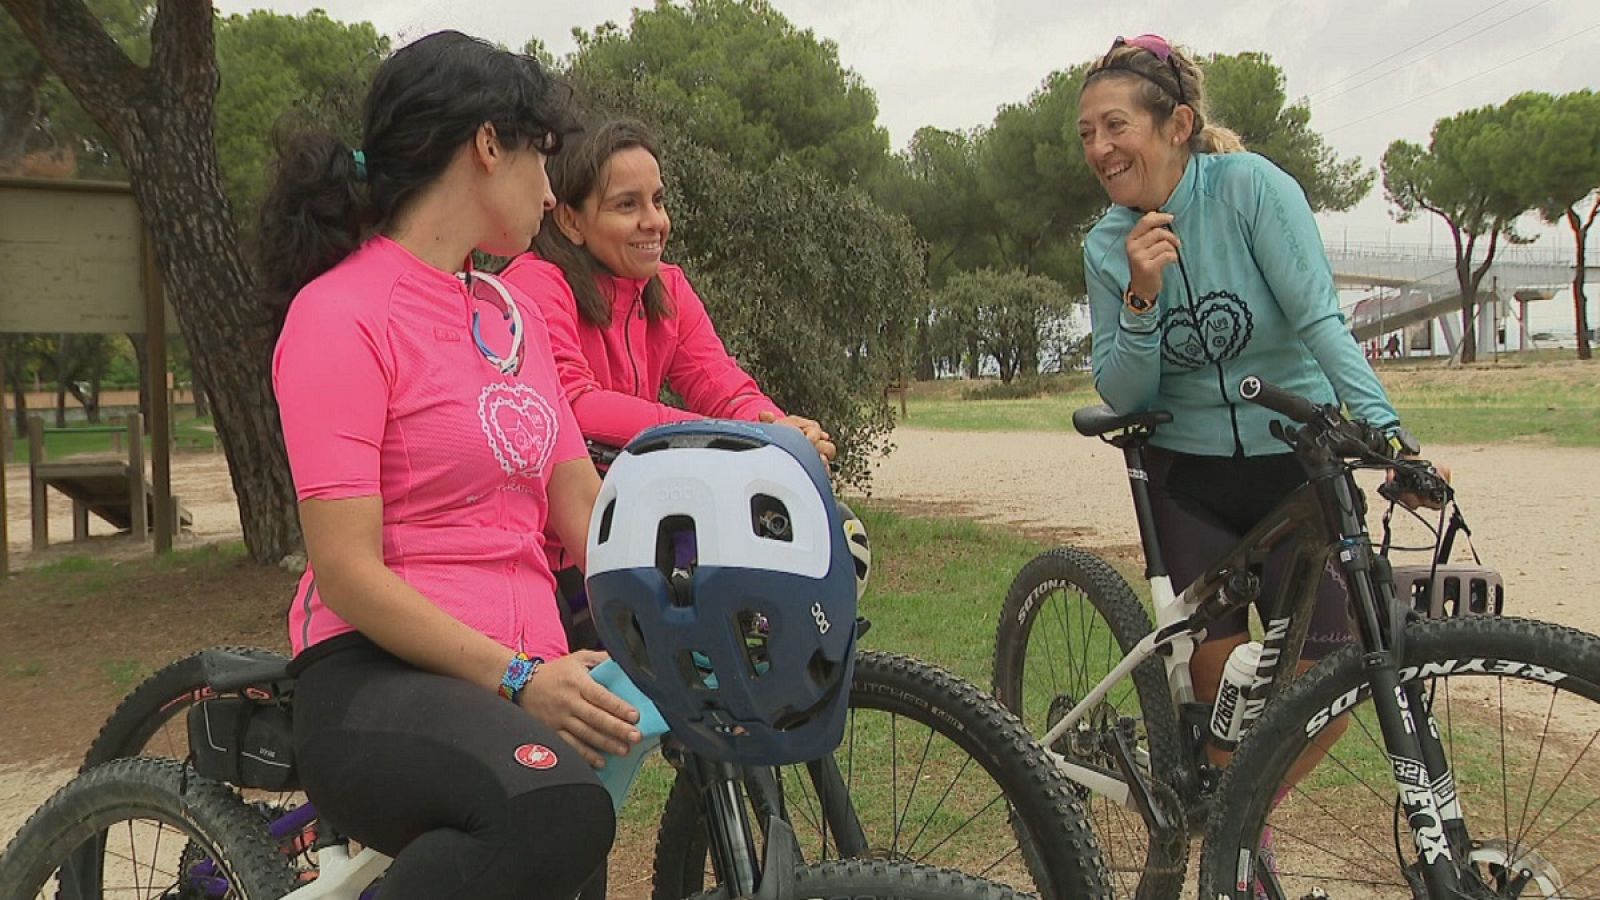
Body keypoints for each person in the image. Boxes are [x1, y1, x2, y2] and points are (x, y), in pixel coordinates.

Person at [257, 31, 639, 900]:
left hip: (527, 682)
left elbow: (580, 503)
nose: (551, 190)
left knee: (570, 841)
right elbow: (347, 571)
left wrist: (688, 580)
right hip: (373, 676)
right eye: (542, 158)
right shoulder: (340, 314)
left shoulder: (513, 315)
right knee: (552, 811)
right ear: (486, 145)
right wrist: (515, 677)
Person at [1076, 34, 1424, 769]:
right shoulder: (1106, 245)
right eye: (1087, 134)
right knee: (1220, 707)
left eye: (1115, 126)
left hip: (1295, 460)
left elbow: (1320, 320)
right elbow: (1125, 388)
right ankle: (1233, 846)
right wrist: (1142, 296)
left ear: (1177, 126)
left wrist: (1386, 430)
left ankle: (1241, 831)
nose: (1100, 148)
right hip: (1190, 478)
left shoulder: (1251, 189)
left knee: (1334, 672)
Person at [498, 118, 835, 586]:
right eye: (627, 205)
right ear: (571, 220)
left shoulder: (667, 288)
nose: (654, 221)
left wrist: (780, 431)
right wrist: (733, 438)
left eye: (658, 200)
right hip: (546, 557)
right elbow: (575, 406)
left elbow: (722, 384)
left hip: (638, 538)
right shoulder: (534, 283)